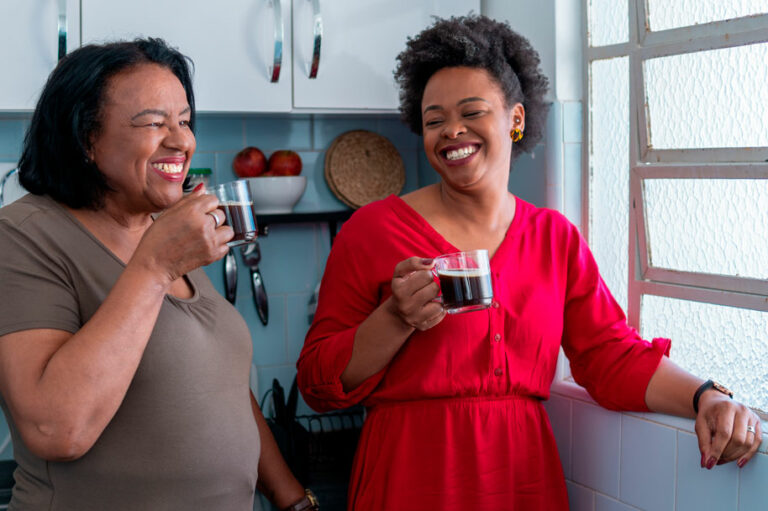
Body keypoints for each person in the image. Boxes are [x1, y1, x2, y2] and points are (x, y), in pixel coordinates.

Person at [296, 15, 762, 510]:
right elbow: (317, 384)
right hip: (409, 477)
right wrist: (394, 318)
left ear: (515, 119)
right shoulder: (373, 230)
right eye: (434, 120)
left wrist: (705, 396)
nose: (452, 130)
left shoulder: (554, 238)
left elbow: (610, 355)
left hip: (521, 482)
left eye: (471, 112)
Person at [0, 39, 318, 511]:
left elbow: (221, 389)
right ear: (85, 137)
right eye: (153, 122)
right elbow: (55, 430)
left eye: (185, 121)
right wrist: (155, 266)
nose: (181, 141)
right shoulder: (24, 235)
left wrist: (293, 499)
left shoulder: (160, 229)